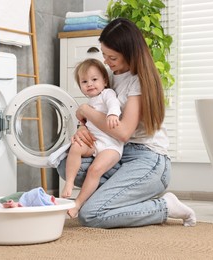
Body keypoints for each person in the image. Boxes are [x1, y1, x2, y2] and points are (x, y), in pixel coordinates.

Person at [57, 18, 196, 228]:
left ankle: (165, 206)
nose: (106, 61)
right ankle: (125, 197)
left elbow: (122, 132)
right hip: (118, 151)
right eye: (104, 55)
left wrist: (84, 110)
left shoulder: (138, 81)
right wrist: (83, 129)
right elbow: (100, 111)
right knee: (64, 164)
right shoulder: (110, 76)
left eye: (112, 57)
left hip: (148, 159)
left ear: (130, 53)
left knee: (91, 215)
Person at [62, 58, 124, 218]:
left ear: (104, 81)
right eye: (84, 81)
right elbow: (84, 122)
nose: (89, 84)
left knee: (94, 170)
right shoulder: (90, 102)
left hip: (111, 146)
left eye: (94, 79)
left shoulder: (107, 93)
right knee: (75, 147)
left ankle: (78, 203)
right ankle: (69, 181)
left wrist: (112, 114)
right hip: (94, 143)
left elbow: (114, 104)